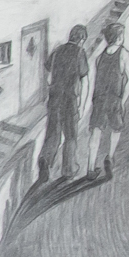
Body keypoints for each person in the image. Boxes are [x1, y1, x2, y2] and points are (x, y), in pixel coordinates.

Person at [38, 23, 87, 184]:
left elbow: (47, 75)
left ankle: (45, 159)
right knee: (71, 135)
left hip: (55, 97)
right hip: (70, 99)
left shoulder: (58, 50)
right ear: (81, 39)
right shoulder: (80, 53)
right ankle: (69, 169)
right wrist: (83, 101)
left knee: (53, 133)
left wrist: (50, 91)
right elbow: (84, 80)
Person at [86, 18, 129, 178]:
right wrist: (123, 100)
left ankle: (90, 168)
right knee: (116, 129)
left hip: (99, 99)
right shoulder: (123, 53)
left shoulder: (100, 57)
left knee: (95, 132)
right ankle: (110, 157)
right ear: (119, 38)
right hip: (114, 97)